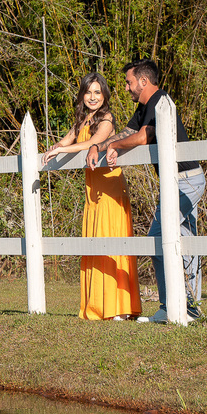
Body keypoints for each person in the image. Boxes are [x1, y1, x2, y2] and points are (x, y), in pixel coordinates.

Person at [85, 59, 205, 323]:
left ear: (143, 81)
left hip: (186, 180)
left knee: (158, 238)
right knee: (184, 241)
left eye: (129, 83)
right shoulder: (145, 106)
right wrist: (98, 146)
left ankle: (175, 306)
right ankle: (186, 308)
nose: (127, 88)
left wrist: (113, 147)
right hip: (175, 181)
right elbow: (127, 132)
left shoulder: (161, 101)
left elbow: (142, 137)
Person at [43, 73, 142, 321]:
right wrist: (54, 149)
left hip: (109, 188)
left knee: (112, 242)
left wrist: (64, 149)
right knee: (95, 243)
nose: (93, 97)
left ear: (104, 95)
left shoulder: (106, 119)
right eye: (88, 92)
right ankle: (98, 305)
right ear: (82, 95)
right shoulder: (82, 120)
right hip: (92, 191)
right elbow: (65, 141)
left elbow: (94, 142)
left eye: (97, 92)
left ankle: (119, 307)